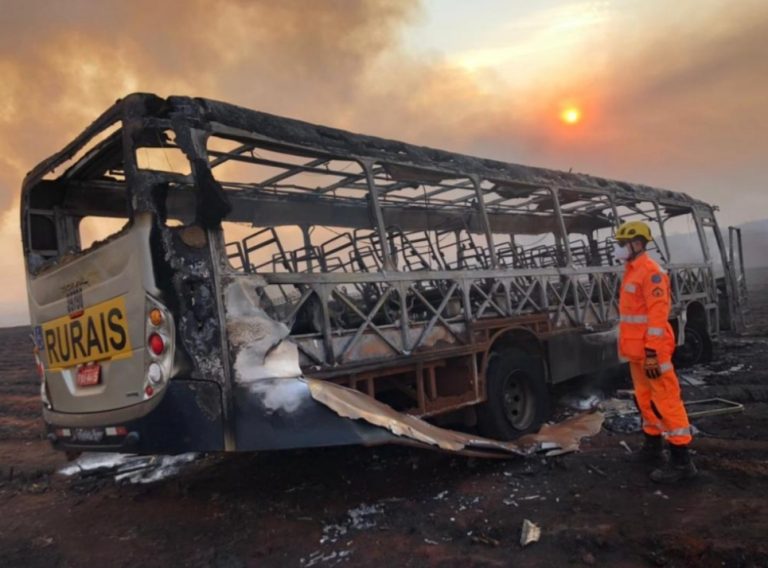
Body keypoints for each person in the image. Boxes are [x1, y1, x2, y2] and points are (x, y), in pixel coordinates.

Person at [614, 221, 697, 483]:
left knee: (666, 401)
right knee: (645, 399)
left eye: (622, 244)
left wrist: (651, 352)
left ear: (638, 244)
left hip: (652, 352)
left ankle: (682, 461)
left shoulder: (651, 273)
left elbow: (657, 317)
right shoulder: (632, 271)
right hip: (637, 352)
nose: (619, 248)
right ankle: (652, 447)